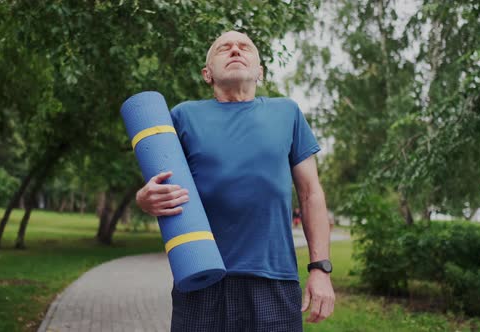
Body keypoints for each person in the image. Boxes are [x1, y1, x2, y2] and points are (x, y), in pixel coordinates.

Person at [136, 30, 335, 331]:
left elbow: (311, 195)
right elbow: (158, 185)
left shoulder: (287, 112)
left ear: (260, 72)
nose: (235, 50)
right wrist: (144, 199)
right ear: (207, 73)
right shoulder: (182, 116)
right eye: (223, 48)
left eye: (245, 47)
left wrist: (320, 269)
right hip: (200, 275)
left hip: (274, 279)